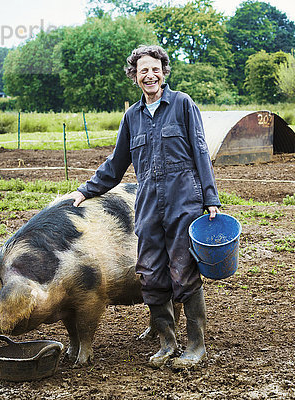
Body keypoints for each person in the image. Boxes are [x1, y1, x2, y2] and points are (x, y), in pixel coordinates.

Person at [61, 45, 221, 369]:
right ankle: (166, 342)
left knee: (185, 273)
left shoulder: (183, 105)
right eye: (142, 70)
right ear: (135, 77)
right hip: (147, 207)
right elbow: (116, 164)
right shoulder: (132, 117)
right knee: (151, 275)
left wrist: (211, 198)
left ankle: (196, 346)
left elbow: (201, 153)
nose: (150, 75)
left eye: (155, 69)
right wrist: (84, 191)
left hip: (183, 204)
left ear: (164, 72)